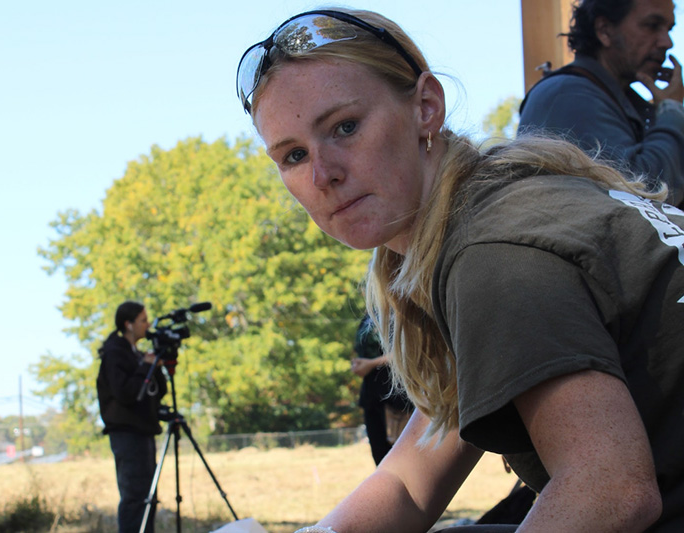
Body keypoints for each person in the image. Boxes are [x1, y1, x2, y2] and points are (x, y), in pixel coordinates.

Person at [235, 8, 684, 532]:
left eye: (346, 127)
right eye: (291, 156)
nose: (322, 174)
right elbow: (407, 483)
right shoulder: (488, 208)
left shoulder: (493, 252)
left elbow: (609, 489)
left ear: (426, 106)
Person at [518, 0, 684, 207]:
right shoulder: (570, 95)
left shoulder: (617, 99)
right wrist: (672, 110)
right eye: (652, 25)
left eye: (669, 29)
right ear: (604, 30)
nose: (667, 43)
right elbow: (644, 195)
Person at [97, 301, 167, 533]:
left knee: (148, 495)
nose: (147, 325)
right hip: (127, 433)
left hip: (143, 431)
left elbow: (156, 392)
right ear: (128, 324)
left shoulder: (135, 354)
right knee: (135, 496)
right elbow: (125, 392)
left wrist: (154, 366)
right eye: (143, 320)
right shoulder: (115, 354)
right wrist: (143, 367)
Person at [351, 313, 413, 465]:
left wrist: (372, 364)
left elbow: (411, 350)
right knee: (381, 461)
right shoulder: (368, 316)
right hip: (371, 398)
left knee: (402, 462)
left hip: (396, 398)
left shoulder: (401, 309)